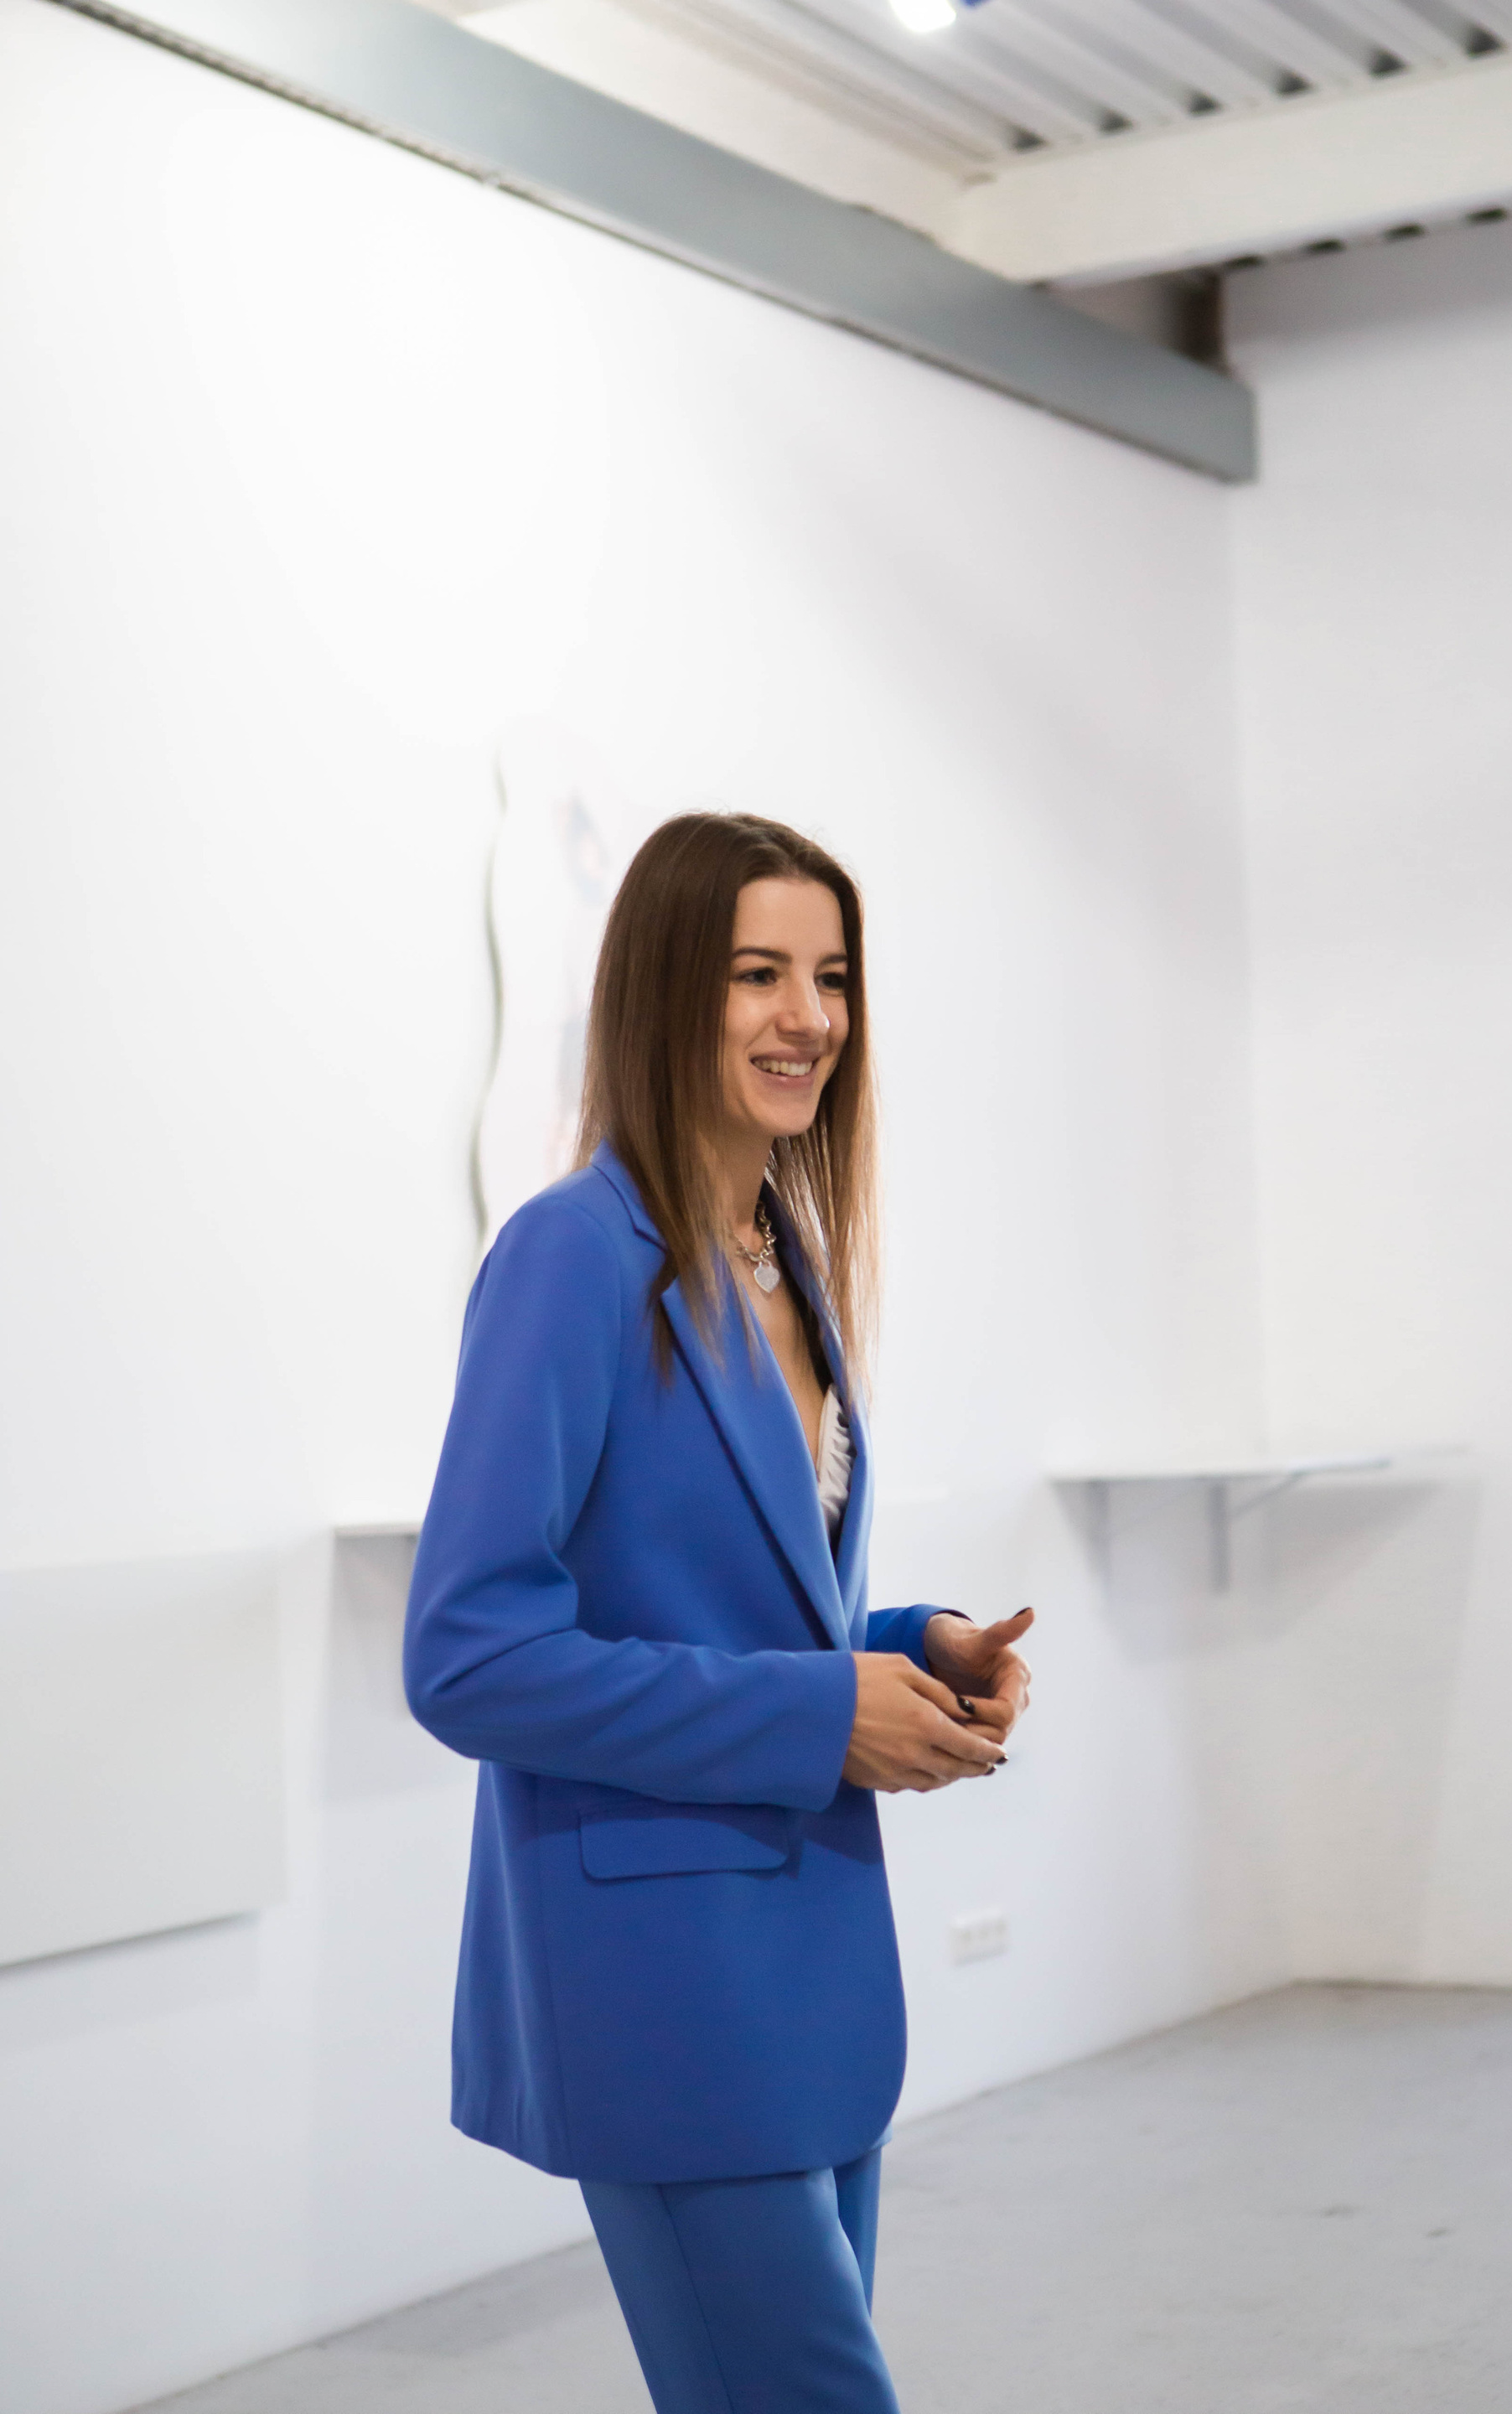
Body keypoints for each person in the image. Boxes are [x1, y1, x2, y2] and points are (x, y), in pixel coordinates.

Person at [404, 811, 1033, 2414]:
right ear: (666, 989)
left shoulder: (783, 1255)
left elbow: (732, 1599)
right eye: (759, 973)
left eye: (832, 977)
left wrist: (905, 1652)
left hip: (808, 1964)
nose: (807, 1016)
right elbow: (471, 1656)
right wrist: (827, 1713)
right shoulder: (569, 1258)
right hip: (664, 1982)